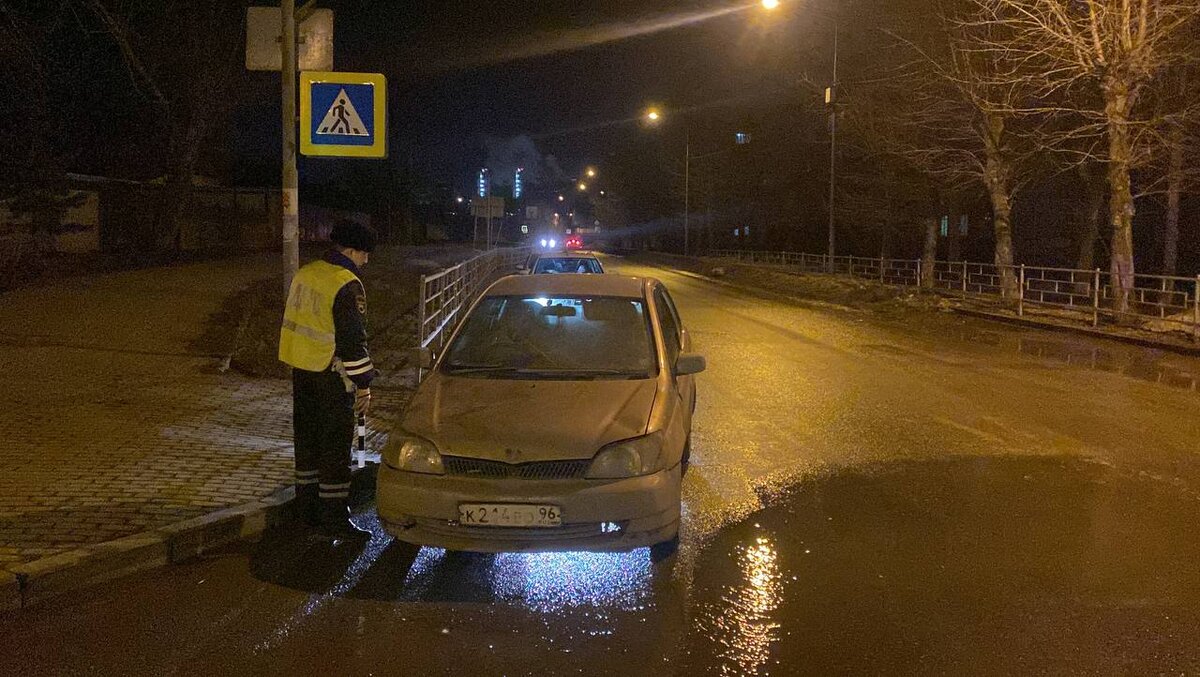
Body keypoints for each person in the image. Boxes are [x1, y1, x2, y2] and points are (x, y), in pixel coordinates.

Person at [279, 220, 379, 540]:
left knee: (307, 442)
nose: (366, 260)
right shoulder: (345, 283)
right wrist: (364, 383)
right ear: (350, 251)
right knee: (335, 448)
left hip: (301, 369)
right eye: (364, 254)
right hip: (332, 375)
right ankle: (334, 519)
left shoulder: (307, 273)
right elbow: (352, 339)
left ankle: (305, 512)